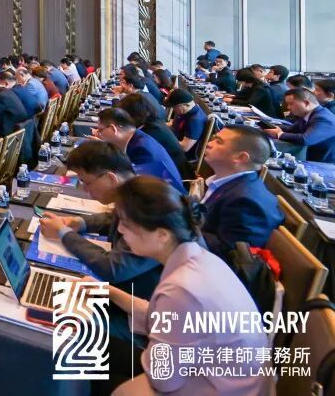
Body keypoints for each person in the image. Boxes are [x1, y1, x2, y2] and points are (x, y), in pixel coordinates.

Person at [103, 176, 269, 396]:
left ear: (162, 235)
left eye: (126, 224)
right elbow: (163, 320)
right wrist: (108, 292)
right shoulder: (200, 257)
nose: (120, 230)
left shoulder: (182, 289)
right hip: (213, 379)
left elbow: (163, 380)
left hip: (209, 387)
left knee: (76, 362)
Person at [38, 142, 161, 337]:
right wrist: (80, 223)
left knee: (49, 324)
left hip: (140, 316)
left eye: (86, 182)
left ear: (111, 178)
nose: (85, 190)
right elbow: (112, 218)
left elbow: (113, 268)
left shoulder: (150, 211)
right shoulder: (136, 191)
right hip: (127, 295)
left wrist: (63, 233)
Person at [198, 125, 283, 258]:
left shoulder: (245, 202)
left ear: (241, 157)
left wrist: (180, 228)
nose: (209, 144)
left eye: (218, 141)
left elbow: (228, 254)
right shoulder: (229, 183)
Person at [95, 108, 185, 193]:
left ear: (113, 129)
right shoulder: (137, 137)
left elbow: (132, 188)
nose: (99, 134)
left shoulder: (142, 150)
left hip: (166, 201)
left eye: (100, 130)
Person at [118, 93, 193, 180]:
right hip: (170, 170)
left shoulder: (150, 132)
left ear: (132, 115)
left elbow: (131, 158)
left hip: (176, 177)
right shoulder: (153, 121)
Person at [265, 88, 335, 163]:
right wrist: (271, 126)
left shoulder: (323, 118)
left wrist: (279, 134)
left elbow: (305, 139)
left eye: (291, 104)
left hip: (323, 163)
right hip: (309, 156)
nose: (288, 107)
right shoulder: (308, 114)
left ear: (306, 103)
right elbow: (291, 129)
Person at [166, 89, 207, 161]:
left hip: (181, 156)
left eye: (174, 107)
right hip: (174, 140)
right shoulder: (186, 112)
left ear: (184, 105)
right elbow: (173, 124)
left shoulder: (195, 121)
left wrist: (164, 139)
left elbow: (184, 147)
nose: (173, 109)